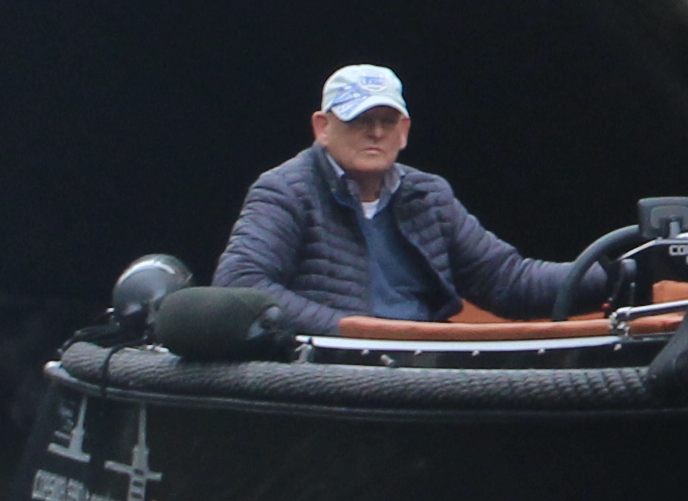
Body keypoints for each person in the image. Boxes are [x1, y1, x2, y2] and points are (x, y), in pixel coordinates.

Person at [208, 64, 592, 334]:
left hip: (420, 371)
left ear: (403, 131)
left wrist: (614, 273)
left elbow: (509, 282)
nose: (375, 132)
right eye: (359, 119)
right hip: (327, 371)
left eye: (386, 120)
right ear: (322, 127)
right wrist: (348, 331)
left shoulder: (430, 196)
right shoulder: (285, 190)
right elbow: (241, 284)